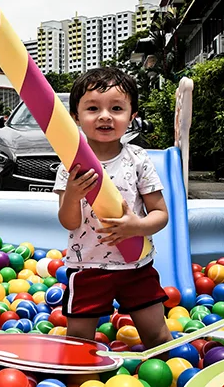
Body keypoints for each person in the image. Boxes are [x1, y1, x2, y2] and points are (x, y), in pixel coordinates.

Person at [54, 67, 172, 352]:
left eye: (116, 108)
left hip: (136, 267)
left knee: (158, 338)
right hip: (87, 268)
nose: (105, 116)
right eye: (93, 108)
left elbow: (161, 214)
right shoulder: (71, 165)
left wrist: (136, 226)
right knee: (79, 344)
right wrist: (72, 194)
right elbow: (68, 222)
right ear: (76, 117)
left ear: (131, 116)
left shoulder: (138, 160)